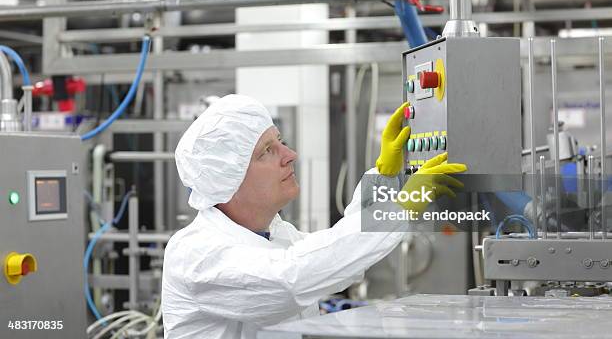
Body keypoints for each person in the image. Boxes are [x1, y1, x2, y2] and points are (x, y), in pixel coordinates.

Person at [162, 94, 466, 339]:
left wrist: (384, 177)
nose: (289, 154)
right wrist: (403, 204)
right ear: (229, 178)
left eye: (280, 140)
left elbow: (339, 261)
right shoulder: (195, 253)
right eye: (267, 150)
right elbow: (294, 278)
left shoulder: (277, 235)